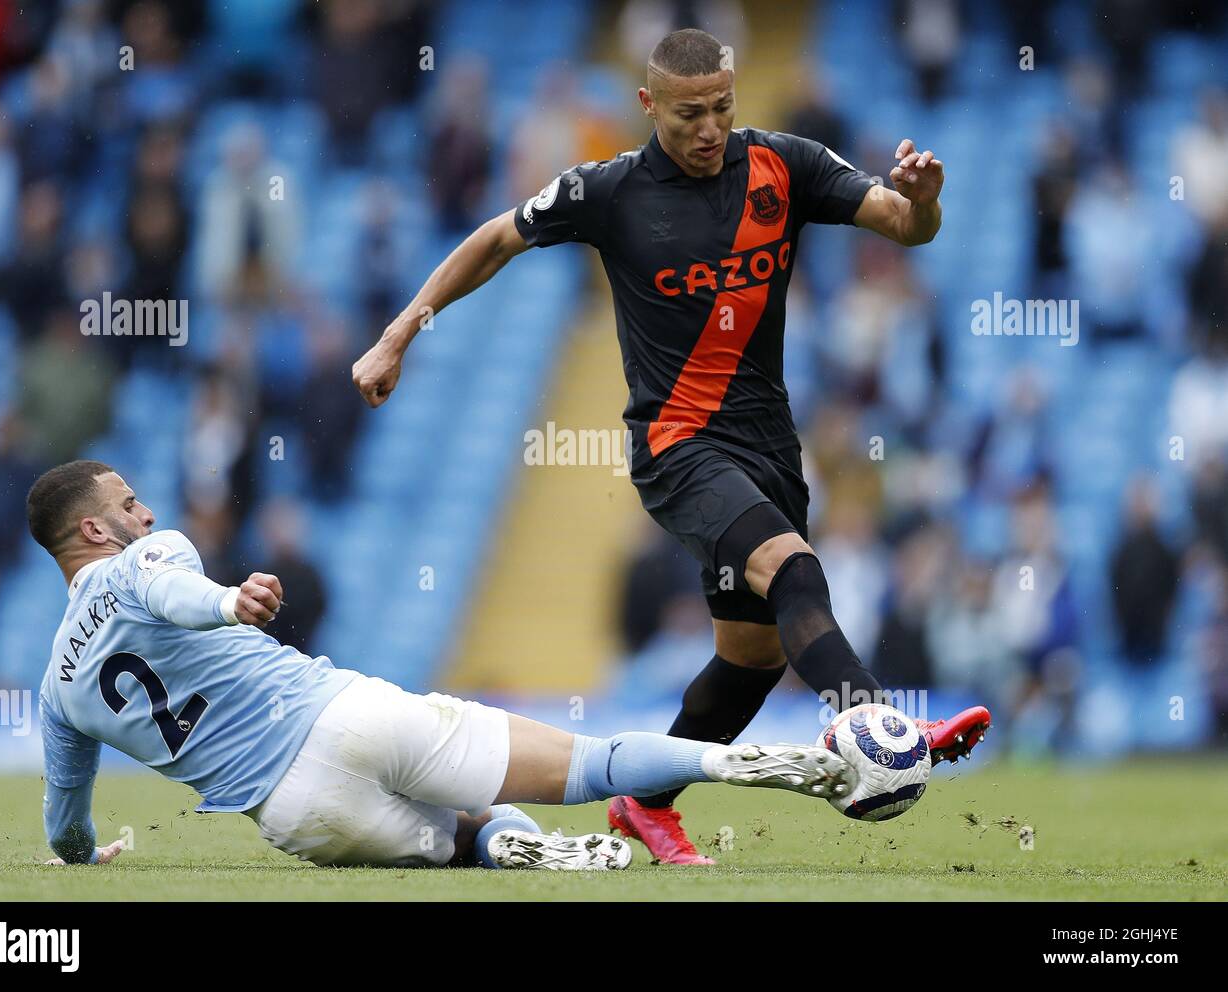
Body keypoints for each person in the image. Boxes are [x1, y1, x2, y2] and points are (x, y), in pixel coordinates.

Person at [351, 28, 990, 865]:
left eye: (723, 107)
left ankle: (645, 804)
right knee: (795, 570)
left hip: (769, 447)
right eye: (690, 113)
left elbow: (906, 226)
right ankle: (885, 728)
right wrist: (399, 334)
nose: (710, 128)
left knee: (754, 658)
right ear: (649, 105)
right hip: (678, 446)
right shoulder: (607, 190)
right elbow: (495, 238)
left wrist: (928, 197)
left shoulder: (783, 165)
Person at [31, 460, 856, 872]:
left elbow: (65, 822)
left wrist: (85, 857)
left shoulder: (58, 693)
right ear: (95, 532)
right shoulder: (147, 558)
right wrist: (229, 602)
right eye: (128, 503)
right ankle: (736, 760)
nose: (146, 511)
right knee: (588, 763)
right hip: (341, 715)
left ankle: (521, 851)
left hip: (296, 814)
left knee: (466, 843)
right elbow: (169, 589)